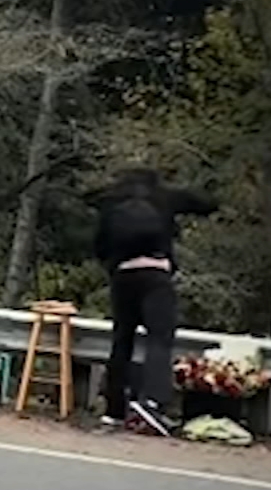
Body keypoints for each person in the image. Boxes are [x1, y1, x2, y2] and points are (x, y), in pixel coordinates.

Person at [89, 167, 219, 436]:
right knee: (160, 338)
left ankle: (113, 411)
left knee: (121, 342)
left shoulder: (111, 201)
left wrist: (112, 265)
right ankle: (152, 403)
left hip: (123, 277)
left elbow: (99, 244)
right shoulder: (164, 197)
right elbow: (207, 205)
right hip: (156, 276)